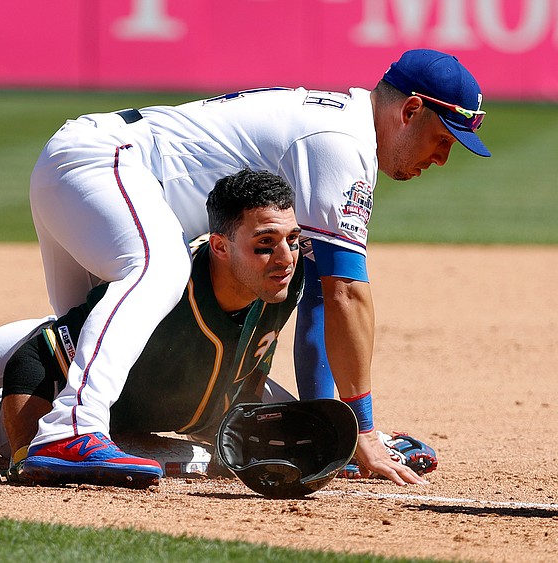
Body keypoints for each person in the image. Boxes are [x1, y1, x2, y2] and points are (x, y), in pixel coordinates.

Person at [25, 48, 489, 485]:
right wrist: (364, 429)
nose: (443, 158)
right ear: (409, 111)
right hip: (102, 165)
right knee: (158, 271)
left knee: (79, 343)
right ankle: (72, 427)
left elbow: (320, 303)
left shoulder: (341, 130)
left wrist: (335, 427)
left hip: (88, 170)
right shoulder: (341, 145)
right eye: (443, 139)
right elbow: (345, 293)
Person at [0, 169, 305, 487]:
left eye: (293, 240)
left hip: (146, 406)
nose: (285, 258)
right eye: (266, 244)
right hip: (70, 386)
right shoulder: (162, 291)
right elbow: (35, 358)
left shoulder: (283, 277)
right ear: (220, 247)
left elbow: (251, 361)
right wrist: (25, 455)